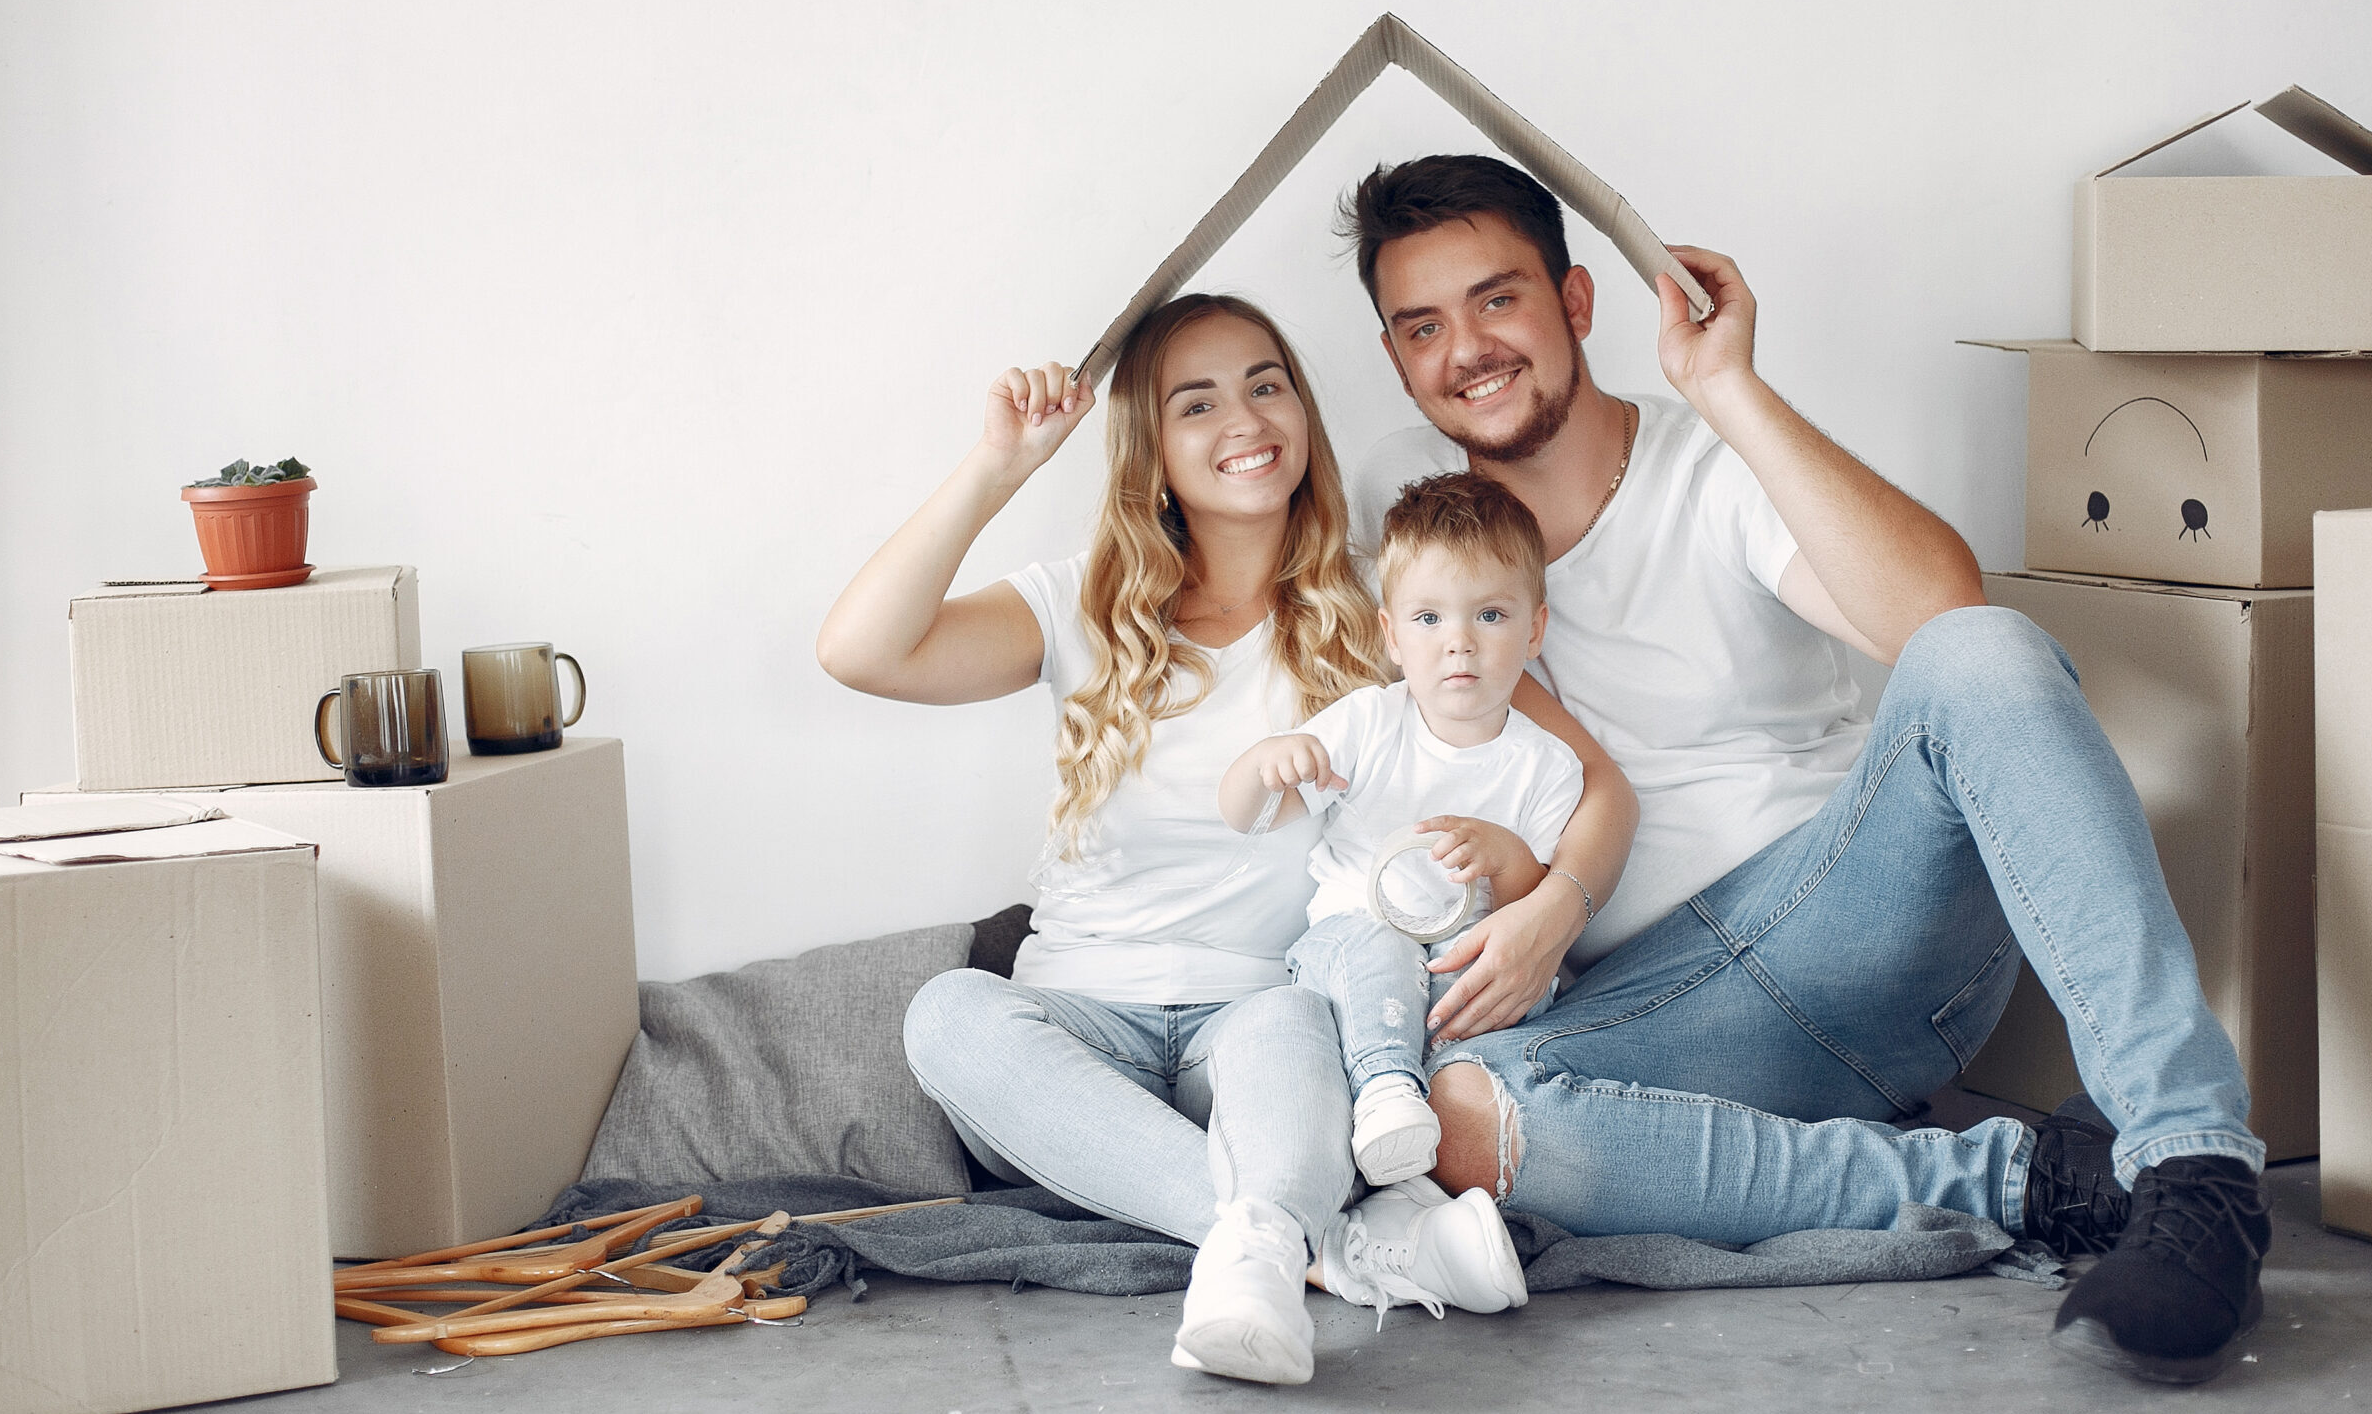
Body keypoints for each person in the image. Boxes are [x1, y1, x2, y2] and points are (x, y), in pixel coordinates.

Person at [1331, 154, 2272, 1387]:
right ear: (1397, 355)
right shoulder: (1395, 495)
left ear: (1575, 301)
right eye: (1422, 325)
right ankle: (2035, 1182)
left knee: (1978, 653)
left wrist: (1728, 387)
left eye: (1496, 299)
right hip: (1656, 1012)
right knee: (1450, 1115)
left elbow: (1937, 611)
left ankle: (2195, 1167)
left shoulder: (1706, 468)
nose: (1466, 347)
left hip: (1854, 932)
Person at [817, 293, 1632, 1385]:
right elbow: (859, 651)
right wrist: (999, 465)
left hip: (1256, 1017)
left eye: (1265, 383)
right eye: (1195, 402)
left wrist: (1550, 897)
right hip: (1080, 1018)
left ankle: (1269, 1242)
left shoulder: (1386, 609)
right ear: (1152, 451)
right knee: (946, 1013)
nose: (1244, 418)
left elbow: (1598, 787)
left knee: (1296, 1020)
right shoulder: (1082, 604)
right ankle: (1330, 1244)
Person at [1221, 472, 1581, 1197]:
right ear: (1390, 633)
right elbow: (1244, 813)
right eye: (1428, 620)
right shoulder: (1369, 724)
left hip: (1454, 962)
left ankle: (1435, 1114)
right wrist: (1267, 766)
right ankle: (1386, 1093)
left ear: (1534, 628)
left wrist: (1507, 860)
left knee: (1497, 974)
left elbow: (1535, 908)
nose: (1459, 645)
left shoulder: (1548, 764)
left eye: (1489, 616)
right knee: (1380, 945)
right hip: (1352, 941)